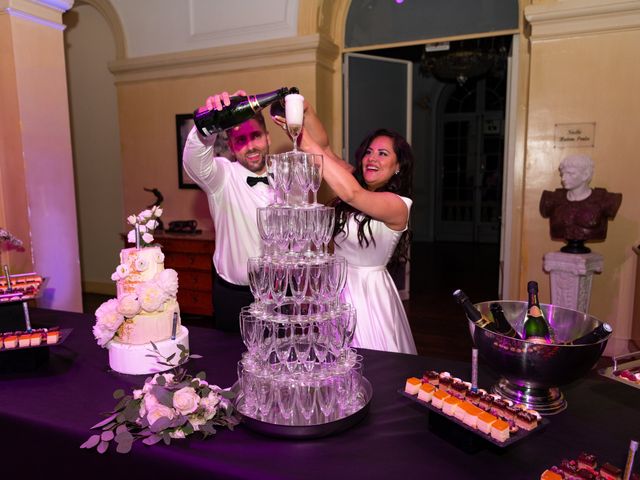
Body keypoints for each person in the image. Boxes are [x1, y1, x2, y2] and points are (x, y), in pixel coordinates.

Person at [300, 114, 418, 354]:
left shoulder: (398, 205)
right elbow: (324, 148)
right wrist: (305, 112)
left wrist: (302, 140)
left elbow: (353, 195)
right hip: (336, 286)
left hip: (369, 294)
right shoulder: (354, 180)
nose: (372, 158)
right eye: (369, 152)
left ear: (398, 167)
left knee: (370, 362)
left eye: (383, 154)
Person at [182, 90, 273, 332]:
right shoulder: (222, 176)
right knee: (230, 364)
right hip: (235, 297)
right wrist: (209, 122)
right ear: (231, 147)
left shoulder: (289, 178)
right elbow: (194, 163)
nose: (250, 146)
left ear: (268, 137)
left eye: (255, 136)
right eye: (241, 140)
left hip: (279, 295)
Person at [539, 154, 622, 253]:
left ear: (585, 175)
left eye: (570, 174)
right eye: (562, 174)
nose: (563, 179)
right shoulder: (552, 199)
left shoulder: (605, 199)